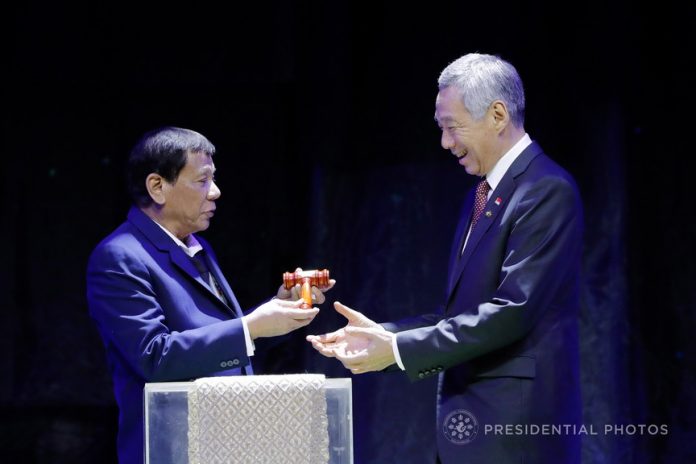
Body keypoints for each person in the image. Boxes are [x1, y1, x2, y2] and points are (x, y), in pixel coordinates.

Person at [308, 53, 583, 463]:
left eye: (452, 127)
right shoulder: (482, 194)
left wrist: (399, 348)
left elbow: (512, 312)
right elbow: (462, 313)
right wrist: (383, 336)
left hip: (515, 437)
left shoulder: (545, 190)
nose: (445, 142)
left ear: (497, 114)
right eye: (442, 128)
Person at [87, 127, 332, 464]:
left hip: (227, 444)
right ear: (157, 186)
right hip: (174, 449)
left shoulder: (199, 247)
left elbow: (221, 339)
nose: (215, 192)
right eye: (202, 181)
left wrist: (276, 313)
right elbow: (153, 357)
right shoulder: (120, 256)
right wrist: (250, 328)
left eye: (213, 179)